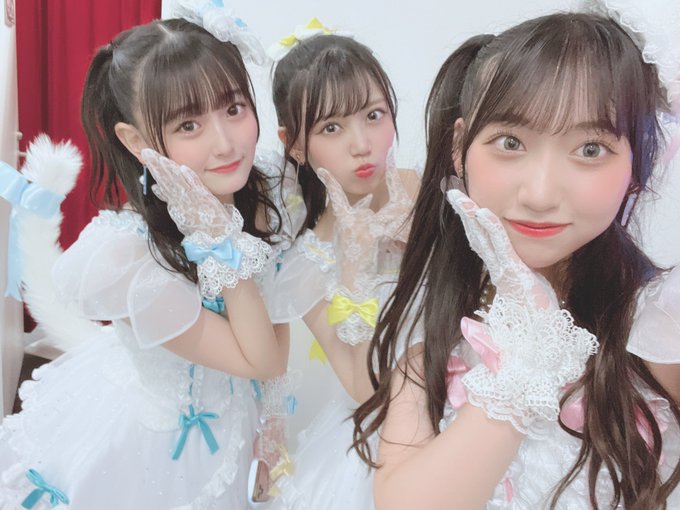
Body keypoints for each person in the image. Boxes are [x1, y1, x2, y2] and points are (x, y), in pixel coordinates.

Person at [353, 9, 680, 510]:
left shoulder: (658, 323)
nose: (540, 194)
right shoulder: (432, 323)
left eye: (590, 149)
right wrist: (526, 346)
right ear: (459, 147)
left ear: (640, 161)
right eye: (511, 143)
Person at [0, 6, 291, 509]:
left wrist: (272, 433)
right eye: (189, 125)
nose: (226, 143)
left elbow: (275, 339)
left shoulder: (263, 192)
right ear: (135, 141)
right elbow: (261, 359)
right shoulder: (127, 263)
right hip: (153, 456)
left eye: (234, 108)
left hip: (238, 429)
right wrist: (218, 236)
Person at [265, 25, 419, 509]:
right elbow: (361, 386)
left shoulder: (433, 193)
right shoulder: (307, 263)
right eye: (332, 128)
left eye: (374, 115)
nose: (362, 144)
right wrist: (357, 263)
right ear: (294, 144)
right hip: (384, 441)